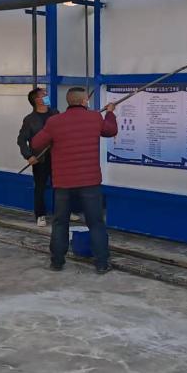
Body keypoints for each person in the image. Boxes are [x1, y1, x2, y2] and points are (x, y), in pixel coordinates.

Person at [30, 87, 118, 273]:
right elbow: (111, 130)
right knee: (95, 223)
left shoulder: (54, 121)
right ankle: (102, 264)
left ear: (69, 101)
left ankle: (57, 262)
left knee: (60, 223)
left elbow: (36, 143)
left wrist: (53, 138)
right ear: (85, 101)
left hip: (63, 183)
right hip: (90, 182)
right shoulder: (95, 117)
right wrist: (110, 113)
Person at [17, 87, 58, 227]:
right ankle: (40, 215)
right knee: (40, 187)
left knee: (61, 186)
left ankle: (63, 211)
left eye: (46, 94)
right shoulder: (30, 120)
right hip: (40, 159)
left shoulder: (55, 113)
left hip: (57, 157)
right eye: (43, 95)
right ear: (37, 100)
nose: (47, 96)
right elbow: (21, 140)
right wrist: (28, 156)